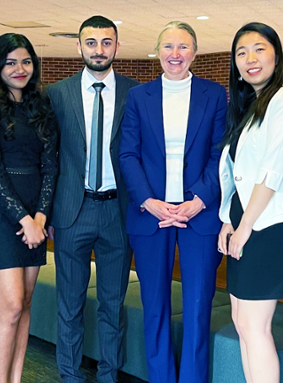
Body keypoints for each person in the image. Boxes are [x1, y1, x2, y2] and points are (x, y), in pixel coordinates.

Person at [119, 21, 227, 383]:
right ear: (157, 52)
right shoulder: (139, 97)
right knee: (155, 307)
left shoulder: (214, 95)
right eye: (168, 47)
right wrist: (149, 201)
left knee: (198, 308)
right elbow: (128, 154)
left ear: (194, 52)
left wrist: (200, 198)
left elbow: (220, 152)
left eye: (183, 47)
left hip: (199, 214)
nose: (175, 54)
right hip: (153, 215)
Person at [46, 15, 138, 383]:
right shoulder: (56, 94)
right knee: (69, 305)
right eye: (91, 42)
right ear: (79, 46)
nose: (98, 50)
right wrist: (47, 210)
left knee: (113, 305)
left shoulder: (137, 93)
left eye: (106, 42)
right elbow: (48, 156)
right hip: (72, 211)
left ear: (116, 45)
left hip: (119, 212)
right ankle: (69, 375)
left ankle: (108, 375)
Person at [0, 33, 57, 383]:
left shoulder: (41, 104)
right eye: (11, 62)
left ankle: (16, 379)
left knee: (27, 302)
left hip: (36, 212)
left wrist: (42, 215)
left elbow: (51, 164)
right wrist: (24, 218)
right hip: (0, 215)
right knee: (12, 305)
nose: (20, 69)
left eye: (26, 61)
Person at [218, 22, 283, 383]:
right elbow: (234, 172)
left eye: (258, 49)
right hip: (245, 219)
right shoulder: (249, 106)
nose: (250, 59)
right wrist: (228, 219)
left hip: (267, 224)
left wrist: (244, 227)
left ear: (276, 54)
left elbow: (270, 171)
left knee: (255, 326)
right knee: (241, 322)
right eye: (241, 52)